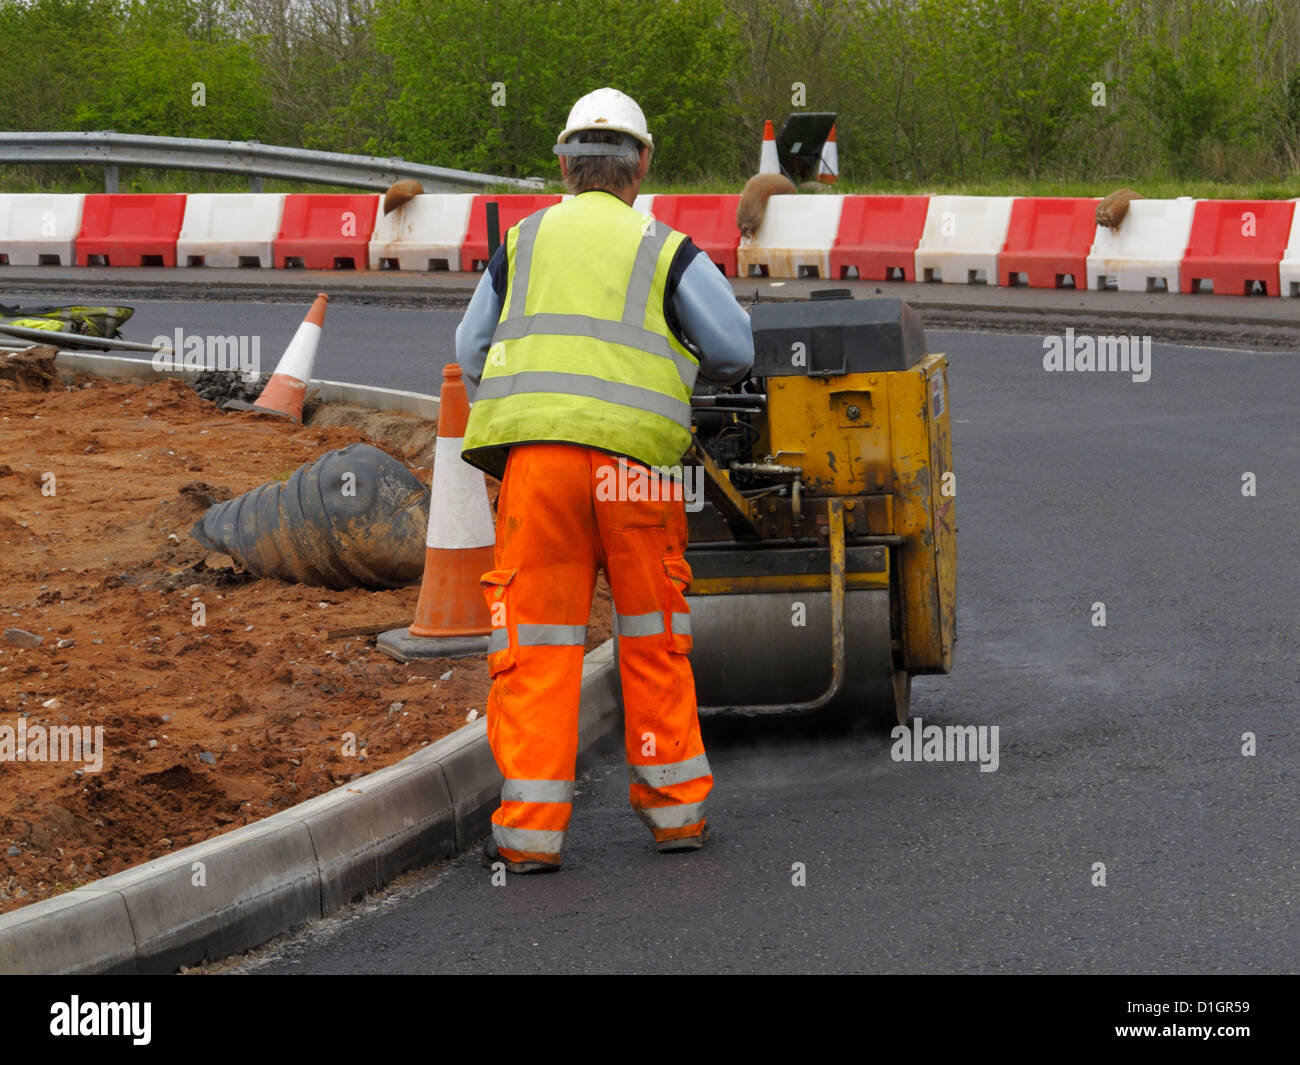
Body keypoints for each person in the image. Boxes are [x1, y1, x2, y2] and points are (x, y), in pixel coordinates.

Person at [455, 87, 754, 874]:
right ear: (642, 164)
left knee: (538, 643)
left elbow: (470, 346)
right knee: (653, 637)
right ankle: (676, 815)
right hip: (636, 470)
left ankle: (528, 834)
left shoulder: (519, 244)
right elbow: (734, 348)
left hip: (538, 470)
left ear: (562, 164)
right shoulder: (664, 246)